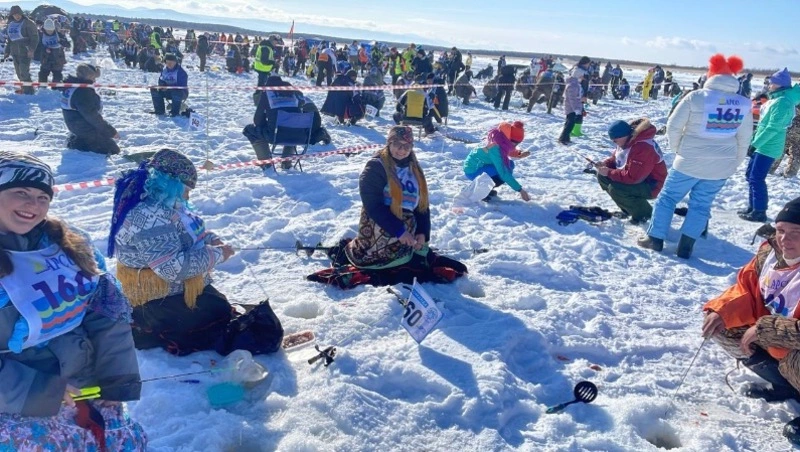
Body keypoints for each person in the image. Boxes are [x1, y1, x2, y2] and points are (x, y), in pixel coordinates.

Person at [0, 151, 146, 450]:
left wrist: (116, 380)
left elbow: (107, 314)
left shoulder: (66, 245)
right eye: (21, 193)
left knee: (120, 439)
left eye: (43, 197)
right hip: (17, 396)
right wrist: (44, 391)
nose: (34, 205)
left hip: (81, 381)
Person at [108, 150, 284, 355]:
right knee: (212, 319)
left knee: (218, 308)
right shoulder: (149, 215)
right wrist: (217, 255)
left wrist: (209, 239)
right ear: (171, 183)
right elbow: (172, 268)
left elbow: (187, 232)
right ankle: (148, 322)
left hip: (173, 284)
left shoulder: (163, 203)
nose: (188, 195)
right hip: (153, 296)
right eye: (186, 189)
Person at [308, 126, 467, 288]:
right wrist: (399, 231)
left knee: (419, 262)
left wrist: (422, 233)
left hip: (408, 231)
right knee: (400, 269)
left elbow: (422, 205)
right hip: (380, 225)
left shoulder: (414, 168)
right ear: (389, 143)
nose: (402, 150)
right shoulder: (376, 167)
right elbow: (373, 206)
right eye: (397, 144)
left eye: (407, 146)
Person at [701, 197, 800, 446]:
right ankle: (788, 386)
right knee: (726, 327)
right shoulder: (771, 253)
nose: (784, 240)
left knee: (796, 360)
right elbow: (748, 288)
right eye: (780, 231)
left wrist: (765, 329)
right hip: (780, 339)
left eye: (796, 233)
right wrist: (723, 311)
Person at [639, 54, 753, 258]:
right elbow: (744, 139)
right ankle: (686, 246)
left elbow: (673, 126)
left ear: (711, 75)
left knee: (667, 198)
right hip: (721, 166)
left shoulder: (696, 96)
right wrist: (733, 163)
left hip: (688, 162)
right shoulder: (744, 104)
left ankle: (655, 238)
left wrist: (678, 150)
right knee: (701, 204)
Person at [739, 68, 800, 222]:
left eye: (771, 82)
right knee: (750, 175)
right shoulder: (776, 99)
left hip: (768, 146)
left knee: (756, 178)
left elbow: (773, 127)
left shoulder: (783, 102)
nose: (769, 84)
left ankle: (759, 211)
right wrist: (753, 141)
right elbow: (763, 124)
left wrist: (755, 144)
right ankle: (752, 207)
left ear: (779, 85)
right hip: (762, 144)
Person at [243, 75, 331, 173]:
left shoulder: (268, 94)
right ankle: (286, 162)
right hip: (300, 135)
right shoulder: (296, 94)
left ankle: (266, 163)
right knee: (292, 126)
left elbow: (257, 120)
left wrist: (266, 122)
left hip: (276, 135)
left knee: (249, 130)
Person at [596, 119, 668, 224]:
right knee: (602, 176)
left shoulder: (643, 147)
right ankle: (629, 209)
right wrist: (605, 165)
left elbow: (633, 177)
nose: (614, 142)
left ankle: (645, 215)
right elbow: (616, 158)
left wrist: (609, 172)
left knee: (616, 189)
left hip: (653, 185)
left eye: (615, 140)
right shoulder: (627, 140)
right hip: (639, 179)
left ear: (624, 136)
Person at [463, 121, 532, 202]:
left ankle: (487, 188)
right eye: (514, 143)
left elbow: (505, 150)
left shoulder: (500, 139)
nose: (515, 146)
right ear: (508, 139)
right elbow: (503, 172)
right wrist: (520, 190)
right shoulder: (494, 147)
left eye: (518, 143)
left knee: (510, 165)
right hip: (473, 170)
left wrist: (519, 154)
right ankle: (481, 191)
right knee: (502, 171)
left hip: (483, 166)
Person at [61, 64, 120, 155]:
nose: (95, 80)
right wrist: (111, 131)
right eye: (94, 77)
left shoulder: (75, 86)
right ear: (89, 76)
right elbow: (92, 116)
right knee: (113, 149)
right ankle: (78, 143)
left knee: (105, 140)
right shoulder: (83, 92)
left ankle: (78, 140)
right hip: (83, 127)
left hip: (76, 124)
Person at [3, 5, 38, 95]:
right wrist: (7, 51)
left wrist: (31, 49)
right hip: (14, 52)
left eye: (18, 14)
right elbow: (10, 39)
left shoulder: (28, 23)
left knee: (24, 72)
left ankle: (29, 91)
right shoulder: (11, 25)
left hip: (25, 52)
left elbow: (34, 37)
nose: (17, 16)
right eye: (14, 14)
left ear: (21, 13)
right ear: (12, 15)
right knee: (19, 73)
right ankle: (24, 88)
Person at [770, 105, 800, 178]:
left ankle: (770, 168)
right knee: (797, 151)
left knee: (782, 146)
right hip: (795, 124)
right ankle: (790, 173)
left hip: (794, 124)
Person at [558, 67, 586, 145]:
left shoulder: (575, 84)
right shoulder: (572, 85)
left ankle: (566, 138)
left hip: (573, 106)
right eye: (581, 75)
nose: (582, 77)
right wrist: (576, 108)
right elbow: (572, 98)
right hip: (571, 107)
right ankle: (563, 138)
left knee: (570, 123)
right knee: (570, 123)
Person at [38, 18, 68, 85]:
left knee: (57, 76)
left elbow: (68, 44)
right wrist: (45, 50)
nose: (50, 32)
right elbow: (38, 46)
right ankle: (42, 89)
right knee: (43, 75)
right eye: (48, 30)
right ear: (44, 29)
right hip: (46, 59)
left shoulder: (59, 34)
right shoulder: (41, 35)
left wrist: (61, 41)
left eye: (51, 30)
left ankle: (56, 89)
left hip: (58, 59)